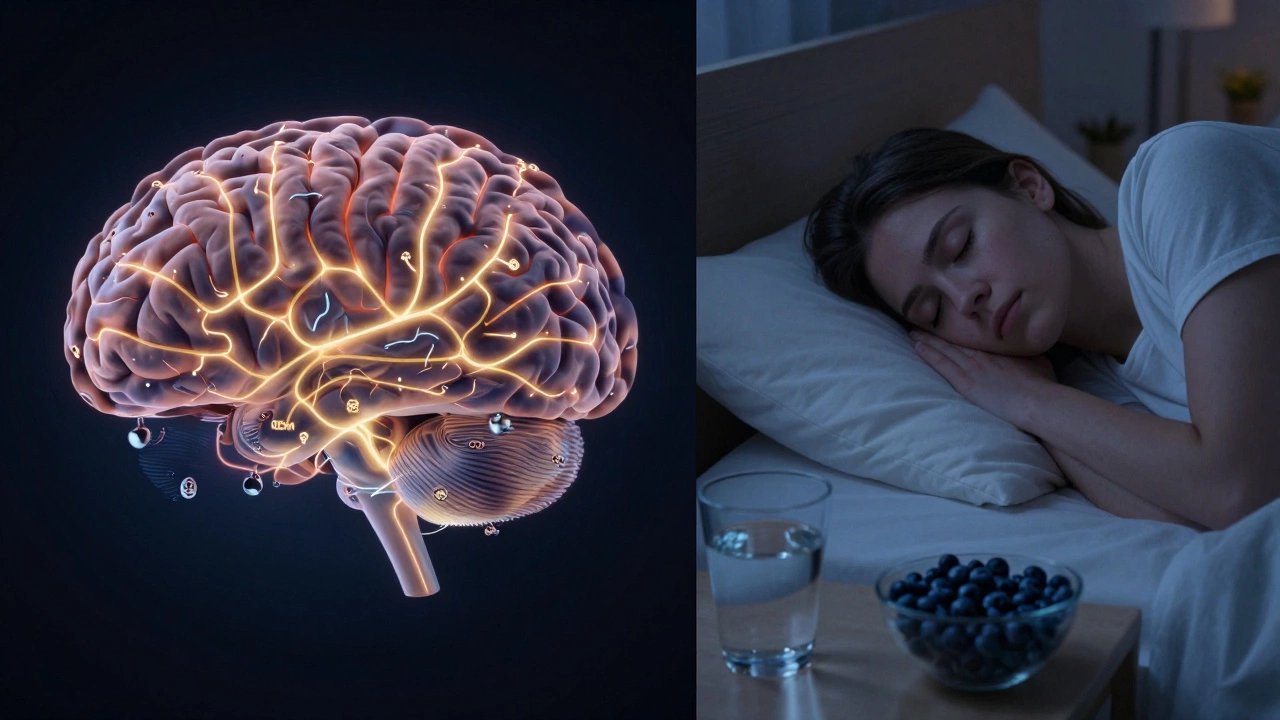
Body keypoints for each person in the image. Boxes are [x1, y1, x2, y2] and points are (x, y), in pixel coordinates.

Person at [804, 122, 1280, 531]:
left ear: (1030, 187)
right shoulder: (1089, 395)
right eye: (933, 311)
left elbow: (1237, 488)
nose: (964, 298)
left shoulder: (1185, 174)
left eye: (961, 245)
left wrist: (1027, 401)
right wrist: (1045, 411)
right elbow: (1203, 524)